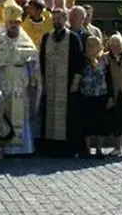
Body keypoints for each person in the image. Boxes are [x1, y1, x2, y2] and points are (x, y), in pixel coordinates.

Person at [0, 4, 40, 155]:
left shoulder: (25, 41)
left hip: (20, 83)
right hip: (4, 83)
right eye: (11, 23)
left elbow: (33, 61)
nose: (13, 26)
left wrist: (32, 80)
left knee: (21, 114)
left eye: (16, 23)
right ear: (6, 24)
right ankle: (5, 146)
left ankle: (23, 148)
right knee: (4, 113)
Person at [38, 8, 85, 158]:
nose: (56, 21)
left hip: (67, 86)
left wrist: (75, 83)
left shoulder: (73, 38)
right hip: (50, 85)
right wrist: (43, 81)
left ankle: (67, 149)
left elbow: (79, 62)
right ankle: (50, 147)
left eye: (59, 19)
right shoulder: (46, 38)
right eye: (54, 19)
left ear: (65, 19)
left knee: (68, 117)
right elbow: (41, 60)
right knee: (49, 115)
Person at [79, 36, 113, 158]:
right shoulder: (82, 60)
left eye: (94, 45)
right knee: (87, 124)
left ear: (99, 46)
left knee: (101, 123)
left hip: (101, 95)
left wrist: (110, 97)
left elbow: (110, 79)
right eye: (89, 45)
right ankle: (87, 150)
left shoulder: (105, 60)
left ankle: (99, 149)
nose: (91, 47)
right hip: (86, 95)